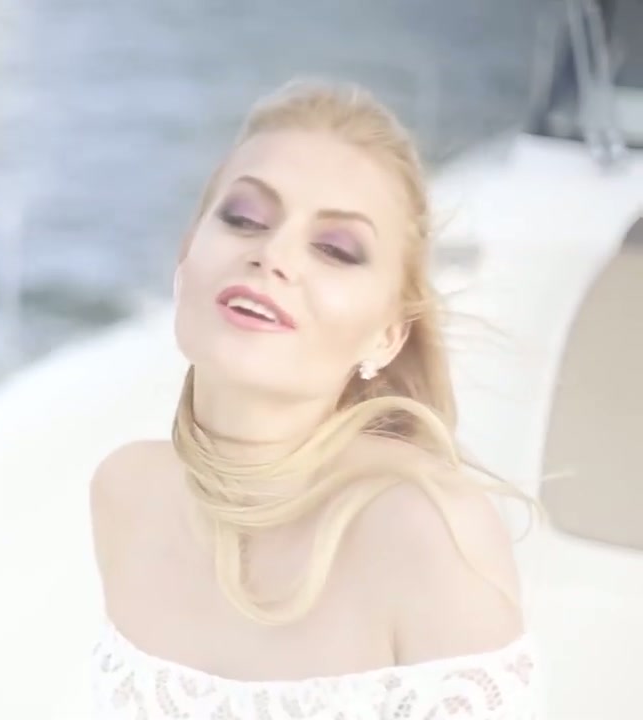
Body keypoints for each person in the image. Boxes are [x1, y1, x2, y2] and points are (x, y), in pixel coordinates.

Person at [89, 81, 542, 719]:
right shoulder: (126, 492)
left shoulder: (427, 533)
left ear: (388, 335)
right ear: (186, 255)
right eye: (244, 218)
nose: (272, 255)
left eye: (335, 249)